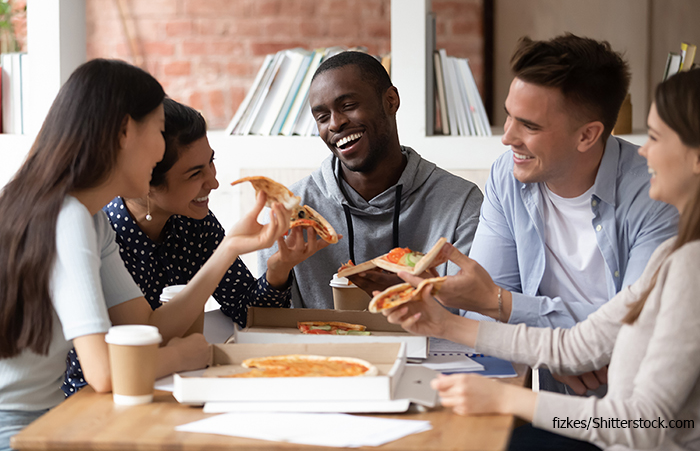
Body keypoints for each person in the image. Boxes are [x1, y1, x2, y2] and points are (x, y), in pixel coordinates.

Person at [384, 68, 700, 451]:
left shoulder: (691, 266)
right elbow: (575, 346)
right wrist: (445, 324)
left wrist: (506, 399)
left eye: (654, 137)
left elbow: (642, 425)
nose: (644, 150)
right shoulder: (675, 255)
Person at [0, 59, 290, 450]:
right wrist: (178, 356)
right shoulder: (68, 218)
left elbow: (147, 324)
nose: (160, 148)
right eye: (157, 129)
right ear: (124, 132)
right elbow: (102, 372)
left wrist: (231, 247)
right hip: (23, 429)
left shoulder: (86, 219)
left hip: (50, 418)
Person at [436, 34, 678, 393]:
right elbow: (479, 312)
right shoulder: (508, 176)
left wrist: (507, 309)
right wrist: (557, 354)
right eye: (509, 116)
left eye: (529, 126)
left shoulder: (657, 192)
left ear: (587, 136)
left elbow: (635, 328)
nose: (508, 137)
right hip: (556, 402)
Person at [62, 97, 323, 396]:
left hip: (177, 384)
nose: (213, 182)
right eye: (194, 173)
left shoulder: (193, 222)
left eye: (211, 162)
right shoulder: (100, 231)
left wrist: (278, 270)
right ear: (144, 180)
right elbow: (119, 356)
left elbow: (245, 312)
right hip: (100, 397)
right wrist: (181, 355)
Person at [257, 51, 484, 309]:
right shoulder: (293, 213)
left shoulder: (461, 202)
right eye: (322, 117)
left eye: (348, 106)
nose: (335, 124)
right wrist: (277, 276)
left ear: (390, 100)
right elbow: (267, 327)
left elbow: (475, 312)